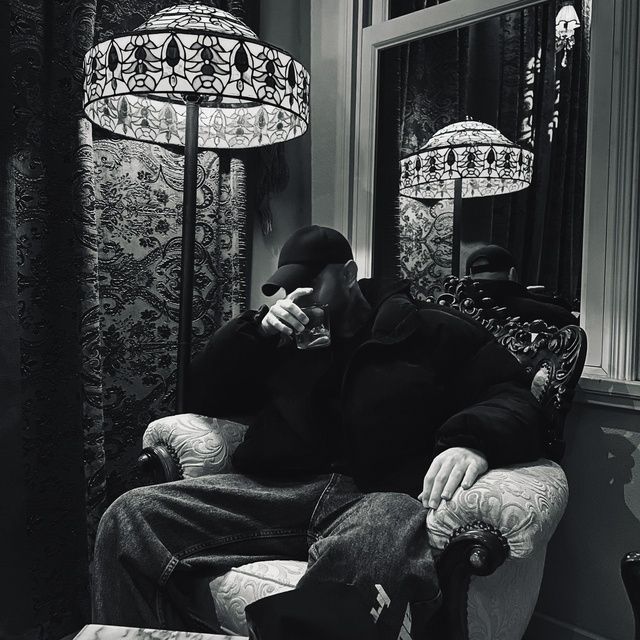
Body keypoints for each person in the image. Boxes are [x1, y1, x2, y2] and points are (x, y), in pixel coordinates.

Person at [92, 225, 548, 640]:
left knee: (367, 556)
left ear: (348, 274)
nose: (299, 295)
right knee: (128, 516)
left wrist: (472, 442)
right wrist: (255, 333)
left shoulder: (427, 329)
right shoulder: (281, 338)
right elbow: (202, 394)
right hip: (279, 490)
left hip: (376, 496)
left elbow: (511, 395)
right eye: (289, 286)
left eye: (312, 282)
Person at [465, 244, 577, 328]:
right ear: (512, 273)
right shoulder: (554, 314)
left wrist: (525, 294)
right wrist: (525, 295)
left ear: (470, 275)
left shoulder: (461, 309)